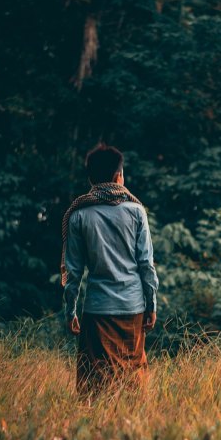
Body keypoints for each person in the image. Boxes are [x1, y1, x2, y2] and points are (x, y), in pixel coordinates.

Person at [60, 142, 159, 398]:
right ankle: (131, 426)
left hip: (97, 308)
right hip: (133, 307)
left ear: (91, 178)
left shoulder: (78, 215)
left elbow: (73, 272)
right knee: (132, 375)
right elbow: (146, 264)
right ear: (119, 176)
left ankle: (97, 428)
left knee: (96, 380)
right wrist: (152, 304)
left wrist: (70, 310)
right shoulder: (136, 211)